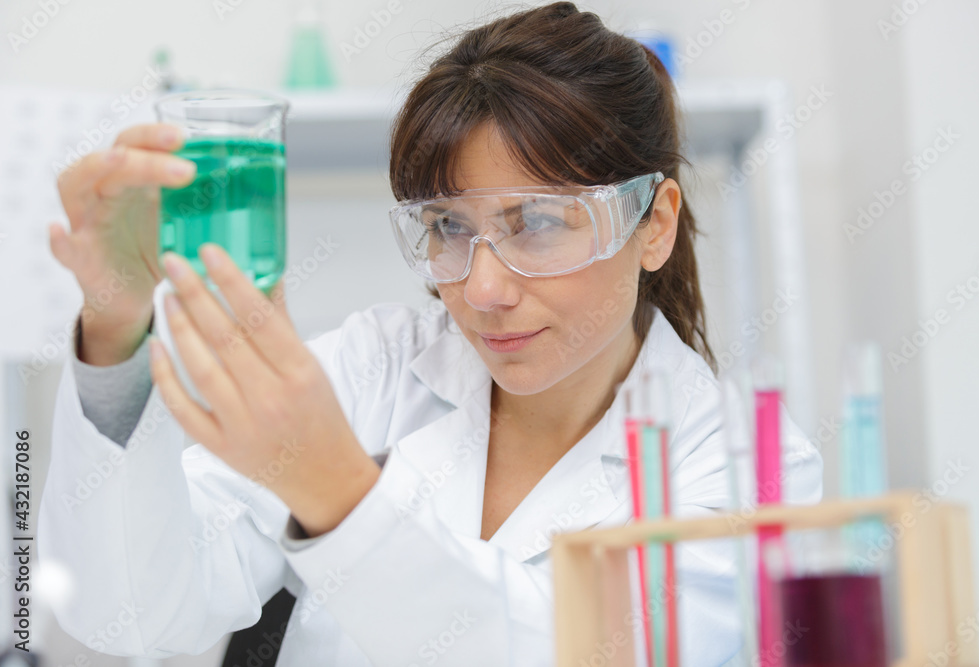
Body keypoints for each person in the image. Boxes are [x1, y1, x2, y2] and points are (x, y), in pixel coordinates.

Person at [39, 3, 822, 665]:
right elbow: (131, 613)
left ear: (654, 225)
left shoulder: (746, 464)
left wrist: (337, 492)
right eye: (449, 225)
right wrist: (114, 325)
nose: (480, 289)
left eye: (539, 221)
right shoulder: (376, 366)